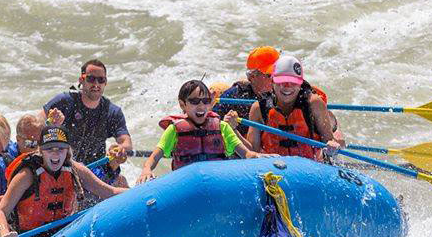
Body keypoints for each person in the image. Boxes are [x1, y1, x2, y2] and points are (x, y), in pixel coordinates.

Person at [0, 125, 127, 237]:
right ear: (41, 151)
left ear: (67, 151)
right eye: (49, 148)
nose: (55, 153)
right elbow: (0, 211)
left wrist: (139, 191)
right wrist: (5, 233)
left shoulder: (75, 169)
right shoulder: (26, 175)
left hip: (65, 235)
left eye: (61, 149)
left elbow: (110, 192)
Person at [136, 80, 271, 184]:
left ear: (211, 103)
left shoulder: (222, 127)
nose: (201, 106)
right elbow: (154, 157)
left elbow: (246, 153)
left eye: (205, 101)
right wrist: (147, 170)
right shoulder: (174, 130)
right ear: (182, 105)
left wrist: (259, 157)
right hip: (185, 184)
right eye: (194, 101)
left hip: (217, 182)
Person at [247, 55, 343, 161]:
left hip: (310, 165)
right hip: (272, 166)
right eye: (282, 81)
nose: (287, 86)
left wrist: (332, 145)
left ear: (300, 83)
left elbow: (328, 140)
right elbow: (252, 151)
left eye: (293, 82)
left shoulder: (314, 103)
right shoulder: (258, 108)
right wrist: (234, 131)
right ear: (273, 82)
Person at [43, 59, 132, 171]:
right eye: (91, 79)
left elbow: (126, 142)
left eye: (101, 80)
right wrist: (49, 124)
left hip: (95, 169)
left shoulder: (112, 112)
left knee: (120, 177)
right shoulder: (64, 101)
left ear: (105, 82)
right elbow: (37, 122)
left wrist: (120, 149)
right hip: (62, 166)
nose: (96, 84)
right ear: (81, 80)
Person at [0, 113, 45, 221]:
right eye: (31, 143)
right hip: (12, 226)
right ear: (18, 139)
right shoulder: (0, 166)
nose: (38, 148)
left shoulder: (51, 156)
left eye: (42, 142)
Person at [213, 46, 279, 137]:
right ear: (252, 76)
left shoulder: (285, 93)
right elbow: (211, 122)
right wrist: (225, 125)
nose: (275, 78)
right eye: (269, 75)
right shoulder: (235, 95)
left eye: (278, 73)